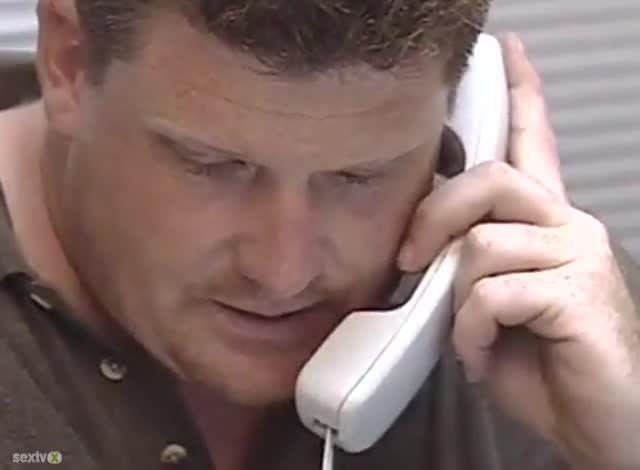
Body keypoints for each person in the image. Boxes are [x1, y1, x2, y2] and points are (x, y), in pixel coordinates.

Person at [0, 0, 639, 469]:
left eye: (360, 177)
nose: (283, 273)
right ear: (70, 62)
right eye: (212, 165)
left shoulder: (539, 298)